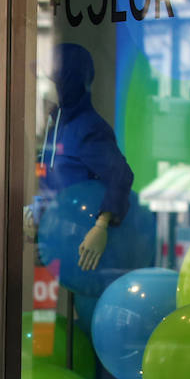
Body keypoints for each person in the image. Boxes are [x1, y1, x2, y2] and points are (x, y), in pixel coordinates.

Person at [35, 41, 135, 271]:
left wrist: (101, 225)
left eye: (49, 79)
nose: (44, 87)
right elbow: (53, 179)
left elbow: (120, 175)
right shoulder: (57, 128)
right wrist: (36, 210)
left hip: (83, 247)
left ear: (66, 83)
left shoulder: (87, 129)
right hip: (57, 239)